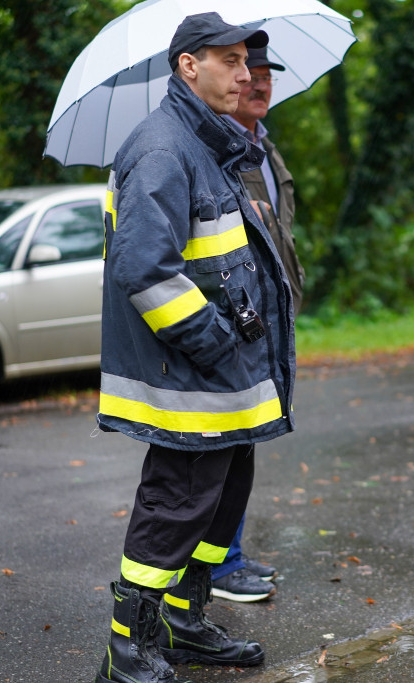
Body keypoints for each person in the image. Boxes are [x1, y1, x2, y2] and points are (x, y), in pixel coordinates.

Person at [94, 13, 296, 683]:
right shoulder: (162, 147)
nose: (247, 73)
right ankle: (129, 651)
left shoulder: (212, 144)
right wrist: (215, 344)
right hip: (191, 379)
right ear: (188, 65)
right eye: (231, 60)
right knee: (175, 508)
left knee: (222, 499)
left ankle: (183, 620)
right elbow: (146, 272)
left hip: (224, 377)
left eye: (247, 61)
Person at [210, 45, 307, 604]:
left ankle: (231, 555)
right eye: (250, 74)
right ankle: (221, 566)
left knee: (247, 440)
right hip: (237, 321)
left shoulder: (264, 149)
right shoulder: (219, 155)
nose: (260, 83)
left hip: (272, 317)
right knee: (229, 438)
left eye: (269, 75)